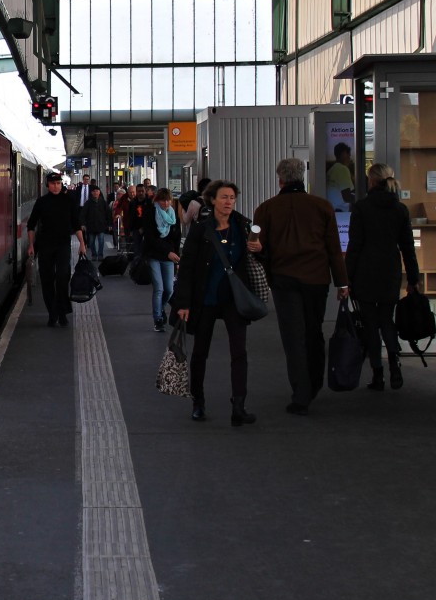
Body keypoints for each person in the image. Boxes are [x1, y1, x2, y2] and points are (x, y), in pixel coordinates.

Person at [253, 157, 349, 416]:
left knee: (293, 337)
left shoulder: (266, 209)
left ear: (280, 179)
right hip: (317, 280)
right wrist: (342, 281)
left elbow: (259, 249)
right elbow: (333, 249)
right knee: (313, 332)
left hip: (284, 281)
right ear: (302, 178)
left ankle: (301, 393)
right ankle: (315, 382)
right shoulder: (322, 206)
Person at [173, 180, 261, 426]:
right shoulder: (201, 229)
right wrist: (184, 302)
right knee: (200, 352)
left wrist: (260, 249)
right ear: (212, 200)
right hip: (206, 299)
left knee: (239, 352)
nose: (229, 202)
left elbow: (257, 259)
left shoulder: (243, 226)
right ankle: (198, 402)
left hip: (234, 299)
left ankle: (239, 405)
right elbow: (187, 267)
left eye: (232, 197)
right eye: (224, 197)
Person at [345, 163, 420, 390]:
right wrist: (413, 278)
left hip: (365, 273)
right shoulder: (400, 209)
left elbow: (355, 246)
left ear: (372, 181)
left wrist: (346, 278)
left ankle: (378, 374)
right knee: (387, 320)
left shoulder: (361, 208)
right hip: (390, 272)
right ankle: (395, 365)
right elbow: (407, 246)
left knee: (370, 324)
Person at [27, 172, 88, 327]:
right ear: (48, 185)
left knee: (62, 277)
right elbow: (31, 225)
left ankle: (62, 312)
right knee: (47, 280)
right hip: (45, 244)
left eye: (59, 183)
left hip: (63, 245)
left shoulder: (68, 201)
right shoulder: (41, 202)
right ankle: (52, 313)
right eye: (53, 184)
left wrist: (82, 243)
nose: (56, 186)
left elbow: (76, 223)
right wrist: (31, 245)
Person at [143, 187, 181, 331]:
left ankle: (161, 308)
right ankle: (158, 318)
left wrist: (176, 255)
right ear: (157, 200)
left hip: (169, 256)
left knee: (169, 289)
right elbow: (150, 238)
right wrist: (168, 252)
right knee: (159, 288)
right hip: (154, 255)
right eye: (163, 200)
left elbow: (177, 237)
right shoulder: (150, 212)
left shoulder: (172, 215)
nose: (166, 203)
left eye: (168, 200)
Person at [81, 185, 110, 261]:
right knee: (91, 242)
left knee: (101, 241)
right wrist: (83, 224)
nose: (95, 193)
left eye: (97, 191)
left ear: (99, 192)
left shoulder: (103, 202)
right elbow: (83, 214)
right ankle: (94, 254)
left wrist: (109, 224)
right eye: (94, 191)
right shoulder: (88, 203)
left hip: (101, 225)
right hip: (91, 226)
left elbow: (108, 214)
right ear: (91, 193)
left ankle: (100, 255)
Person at [326, 142, 356, 211]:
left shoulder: (332, 169)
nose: (349, 158)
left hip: (333, 209)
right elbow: (347, 197)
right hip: (341, 212)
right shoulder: (342, 169)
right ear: (343, 154)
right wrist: (363, 199)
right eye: (348, 154)